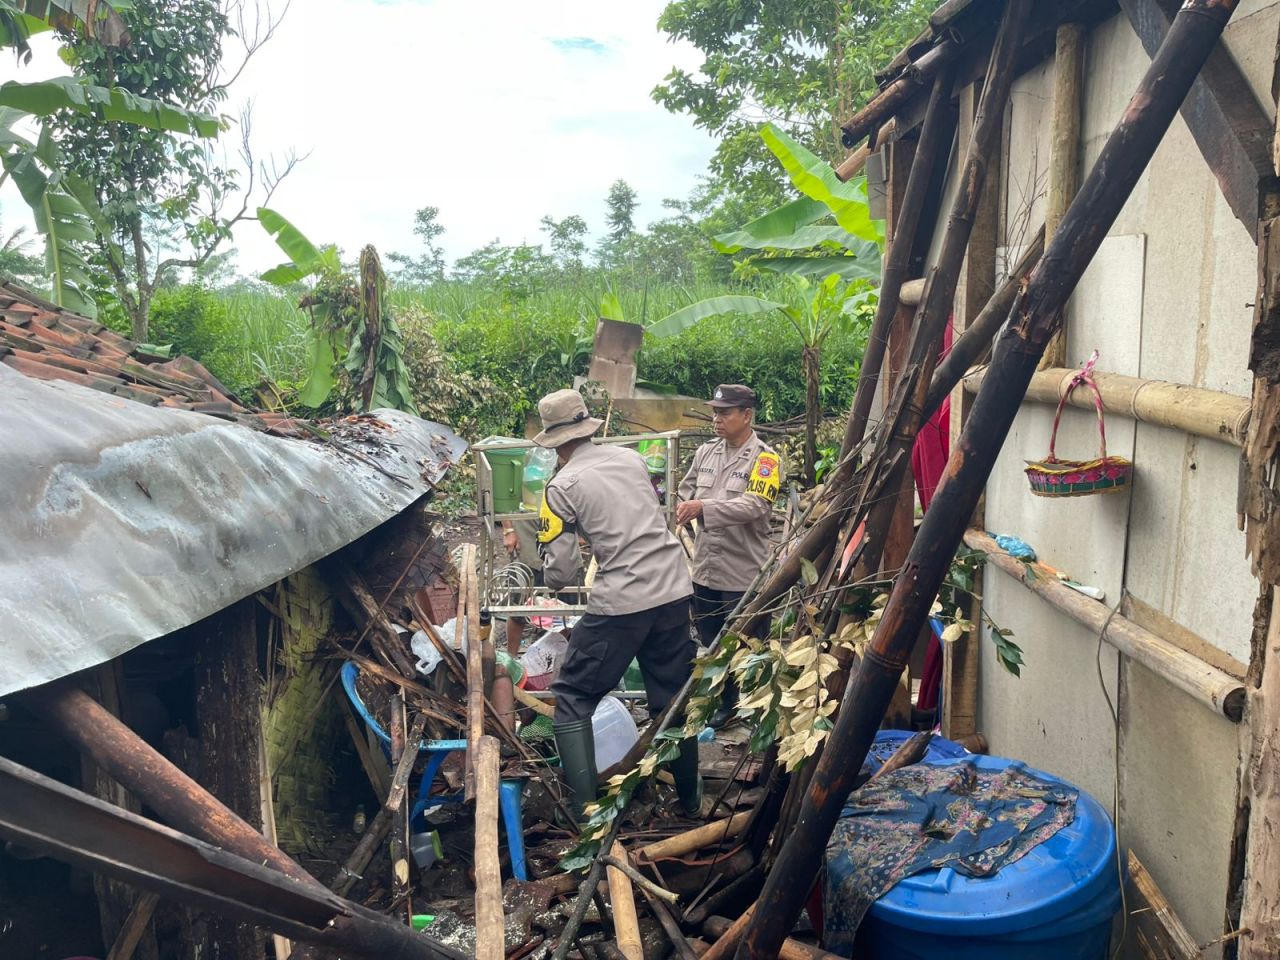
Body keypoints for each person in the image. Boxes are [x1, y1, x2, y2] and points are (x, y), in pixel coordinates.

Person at [533, 388, 701, 819]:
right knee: (671, 696)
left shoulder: (560, 486)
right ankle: (690, 801)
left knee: (571, 693)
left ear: (554, 441)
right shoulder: (631, 459)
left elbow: (562, 571)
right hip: (672, 586)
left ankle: (584, 810)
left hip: (623, 600)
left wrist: (553, 578)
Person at [676, 384, 781, 728]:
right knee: (712, 642)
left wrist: (703, 507)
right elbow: (685, 490)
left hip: (743, 570)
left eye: (725, 412)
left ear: (746, 415)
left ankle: (759, 709)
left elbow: (755, 505)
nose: (716, 419)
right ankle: (726, 703)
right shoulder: (706, 453)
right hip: (706, 568)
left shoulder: (766, 459)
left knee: (749, 644)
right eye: (715, 412)